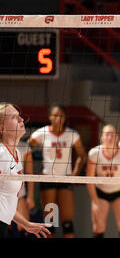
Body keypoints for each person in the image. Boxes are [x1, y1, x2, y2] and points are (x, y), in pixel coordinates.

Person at [28, 104, 87, 238]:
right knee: (51, 223)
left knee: (68, 223)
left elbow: (82, 155)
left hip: (65, 178)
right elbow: (26, 148)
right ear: (49, 117)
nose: (58, 118)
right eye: (55, 115)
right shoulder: (42, 133)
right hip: (48, 178)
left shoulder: (72, 134)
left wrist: (75, 174)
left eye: (61, 115)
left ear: (65, 117)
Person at [0, 102, 50, 238]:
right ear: (1, 128)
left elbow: (5, 203)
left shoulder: (16, 152)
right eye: (14, 117)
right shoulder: (0, 153)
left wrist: (25, 223)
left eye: (19, 116)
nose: (22, 119)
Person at [87, 124, 120, 238]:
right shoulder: (94, 153)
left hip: (119, 192)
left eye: (113, 135)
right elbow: (89, 179)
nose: (110, 137)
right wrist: (95, 200)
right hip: (101, 192)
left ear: (117, 137)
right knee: (99, 227)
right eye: (107, 134)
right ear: (101, 137)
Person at [15, 139, 35, 238]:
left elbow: (30, 174)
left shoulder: (24, 146)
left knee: (24, 228)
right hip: (2, 194)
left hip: (19, 195)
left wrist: (30, 196)